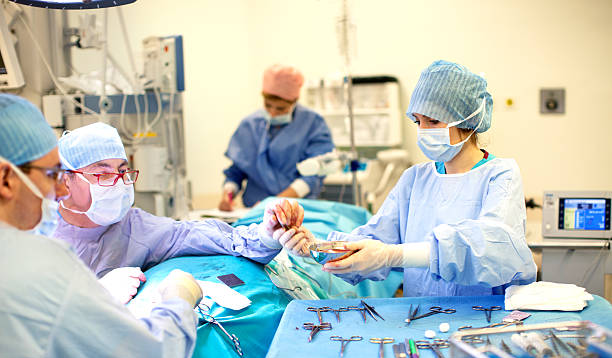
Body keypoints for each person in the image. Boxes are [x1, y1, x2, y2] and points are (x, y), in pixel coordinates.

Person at [0, 93, 205, 358]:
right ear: (5, 178)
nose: (60, 189)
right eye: (52, 174)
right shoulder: (35, 265)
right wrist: (180, 299)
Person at [280, 61, 537, 296]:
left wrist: (394, 255)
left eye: (434, 121)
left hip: (483, 316)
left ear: (467, 120)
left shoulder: (500, 175)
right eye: (418, 121)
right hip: (420, 313)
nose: (423, 131)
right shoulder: (415, 179)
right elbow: (374, 241)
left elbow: (490, 247)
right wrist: (318, 247)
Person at [53, 122, 304, 303]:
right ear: (66, 181)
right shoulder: (35, 235)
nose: (118, 183)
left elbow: (202, 234)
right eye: (103, 174)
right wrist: (91, 297)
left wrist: (267, 234)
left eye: (121, 172)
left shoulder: (133, 227)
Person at [219, 64, 335, 210]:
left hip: (298, 211)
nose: (273, 113)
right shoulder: (250, 125)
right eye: (268, 106)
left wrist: (275, 204)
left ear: (294, 102)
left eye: (280, 108)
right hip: (255, 213)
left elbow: (314, 174)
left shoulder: (312, 124)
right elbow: (237, 171)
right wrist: (228, 195)